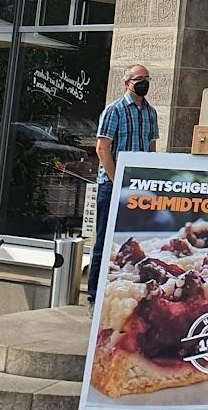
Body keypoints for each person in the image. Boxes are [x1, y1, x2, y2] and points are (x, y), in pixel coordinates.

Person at [87, 64, 158, 305]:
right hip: (112, 185)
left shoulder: (151, 113)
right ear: (127, 82)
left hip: (138, 188)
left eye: (147, 78)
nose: (144, 83)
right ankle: (94, 296)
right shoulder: (114, 111)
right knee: (105, 241)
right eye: (139, 79)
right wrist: (118, 182)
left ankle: (130, 290)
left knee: (134, 242)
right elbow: (102, 149)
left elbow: (151, 147)